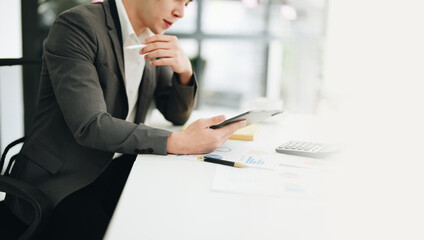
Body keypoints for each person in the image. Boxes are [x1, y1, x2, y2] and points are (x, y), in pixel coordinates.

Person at [6, 0, 246, 239]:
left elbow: (175, 113)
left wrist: (184, 72)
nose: (181, 12)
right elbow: (90, 125)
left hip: (119, 166)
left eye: (187, 3)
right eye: (177, 0)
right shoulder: (77, 25)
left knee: (179, 214)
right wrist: (180, 142)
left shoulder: (151, 36)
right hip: (63, 180)